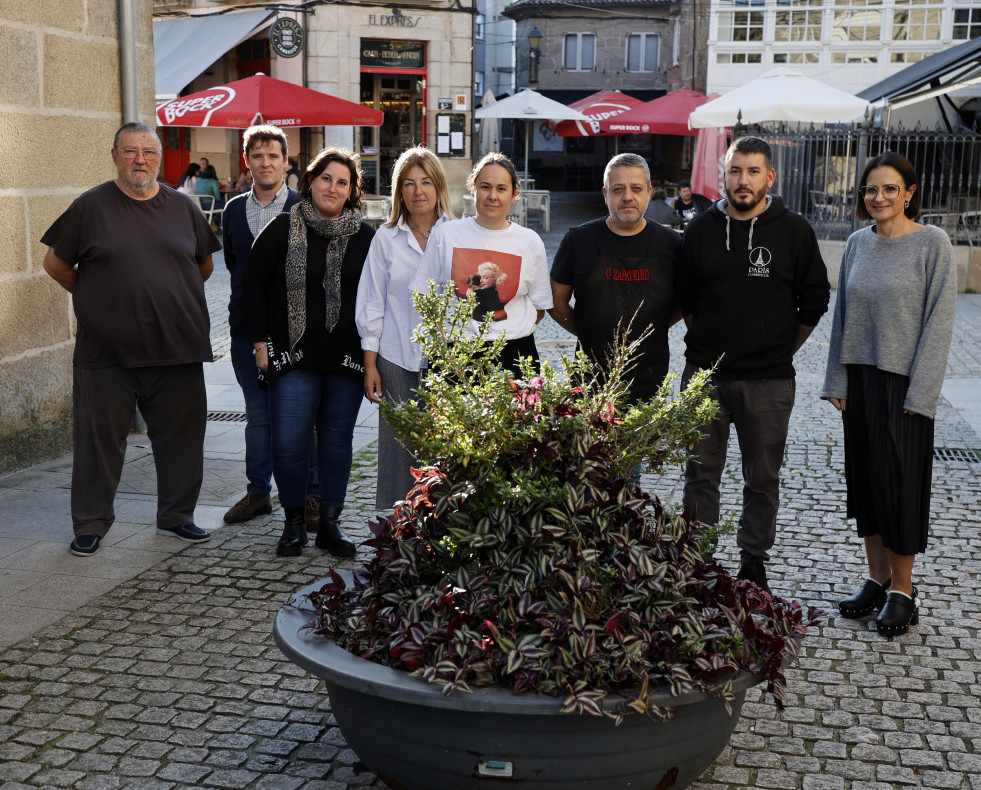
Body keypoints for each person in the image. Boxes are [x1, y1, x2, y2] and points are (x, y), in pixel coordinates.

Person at [41, 122, 219, 557]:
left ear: (159, 158)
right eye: (130, 151)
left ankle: (177, 516)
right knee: (97, 445)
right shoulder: (90, 207)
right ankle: (90, 523)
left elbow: (202, 266)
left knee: (181, 439)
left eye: (149, 152)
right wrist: (97, 298)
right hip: (106, 354)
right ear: (114, 155)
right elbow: (55, 263)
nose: (140, 159)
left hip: (177, 350)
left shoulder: (184, 207)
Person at [674, 136, 830, 594]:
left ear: (770, 177)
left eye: (753, 172)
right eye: (735, 171)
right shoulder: (701, 230)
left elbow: (815, 299)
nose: (743, 181)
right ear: (724, 174)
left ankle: (753, 561)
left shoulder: (795, 231)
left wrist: (781, 347)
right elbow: (686, 297)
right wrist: (710, 343)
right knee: (700, 473)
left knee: (762, 477)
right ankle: (698, 558)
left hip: (769, 381)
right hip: (705, 377)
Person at [821, 152, 956, 636]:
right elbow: (841, 318)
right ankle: (876, 578)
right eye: (871, 190)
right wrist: (836, 380)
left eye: (890, 189)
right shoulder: (857, 243)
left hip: (905, 384)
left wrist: (922, 394)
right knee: (866, 482)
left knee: (900, 486)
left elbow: (940, 323)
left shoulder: (932, 244)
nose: (879, 198)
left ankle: (904, 589)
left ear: (909, 192)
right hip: (860, 380)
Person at [245, 147, 374, 558]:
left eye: (342, 181)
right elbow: (251, 288)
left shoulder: (366, 237)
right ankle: (294, 523)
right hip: (294, 358)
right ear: (310, 181)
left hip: (345, 359)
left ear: (352, 190)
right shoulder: (283, 228)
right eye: (325, 178)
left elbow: (377, 297)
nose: (332, 187)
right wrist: (259, 343)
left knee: (337, 440)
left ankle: (330, 526)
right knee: (288, 442)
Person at [221, 125, 321, 530]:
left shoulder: (304, 207)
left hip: (294, 332)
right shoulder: (231, 211)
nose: (265, 162)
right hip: (245, 329)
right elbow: (235, 266)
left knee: (301, 416)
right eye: (257, 156)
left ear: (286, 162)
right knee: (258, 416)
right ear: (247, 162)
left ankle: (311, 496)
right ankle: (258, 492)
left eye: (273, 156)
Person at [355, 146, 453, 510]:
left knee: (444, 445)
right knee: (398, 449)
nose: (418, 191)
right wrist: (370, 364)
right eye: (409, 184)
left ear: (438, 186)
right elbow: (371, 303)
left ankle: (442, 526)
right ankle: (398, 533)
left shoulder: (458, 235)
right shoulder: (386, 238)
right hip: (394, 357)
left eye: (426, 182)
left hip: (446, 359)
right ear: (399, 191)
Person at [550, 153, 681, 406]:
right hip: (589, 381)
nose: (627, 196)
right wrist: (590, 333)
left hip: (651, 377)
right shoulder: (578, 240)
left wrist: (653, 330)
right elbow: (556, 303)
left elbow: (685, 301)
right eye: (618, 189)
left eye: (636, 188)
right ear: (605, 193)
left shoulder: (672, 244)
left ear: (649, 192)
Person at [412, 152, 552, 375]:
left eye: (502, 188)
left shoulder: (530, 241)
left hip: (513, 354)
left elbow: (539, 307)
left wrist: (504, 331)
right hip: (455, 353)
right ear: (472, 188)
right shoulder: (446, 234)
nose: (492, 196)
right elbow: (424, 294)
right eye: (485, 187)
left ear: (515, 193)